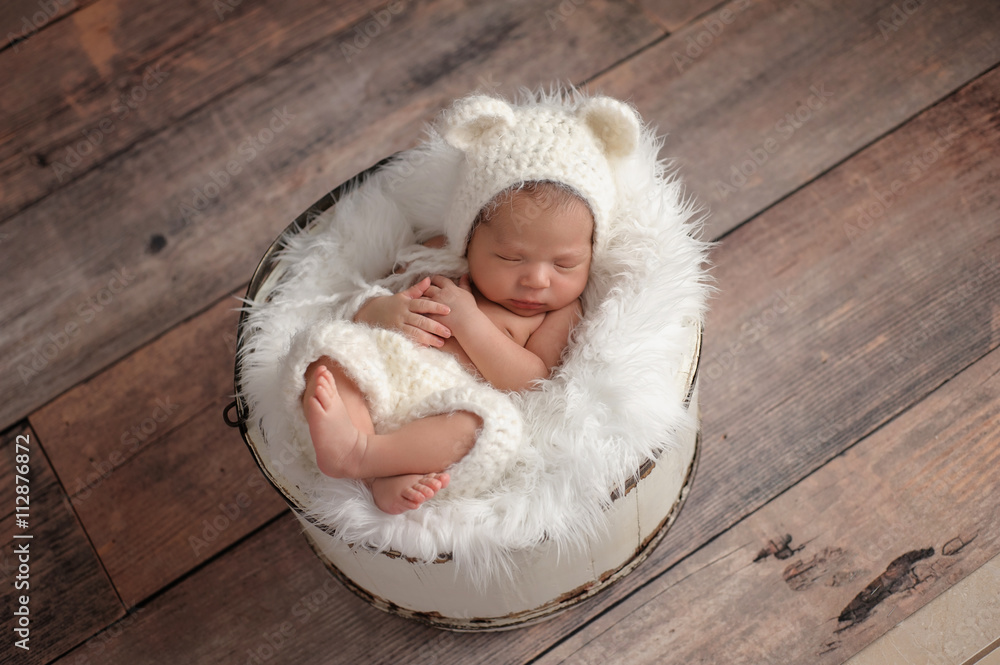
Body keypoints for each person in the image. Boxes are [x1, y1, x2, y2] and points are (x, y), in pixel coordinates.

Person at [298, 93, 638, 514]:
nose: (537, 279)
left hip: (448, 405)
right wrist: (382, 312)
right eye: (510, 258)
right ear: (468, 239)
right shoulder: (435, 257)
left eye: (565, 264)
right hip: (386, 375)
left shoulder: (561, 313)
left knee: (490, 428)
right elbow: (367, 303)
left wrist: (470, 322)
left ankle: (368, 456)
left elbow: (531, 380)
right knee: (328, 348)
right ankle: (366, 459)